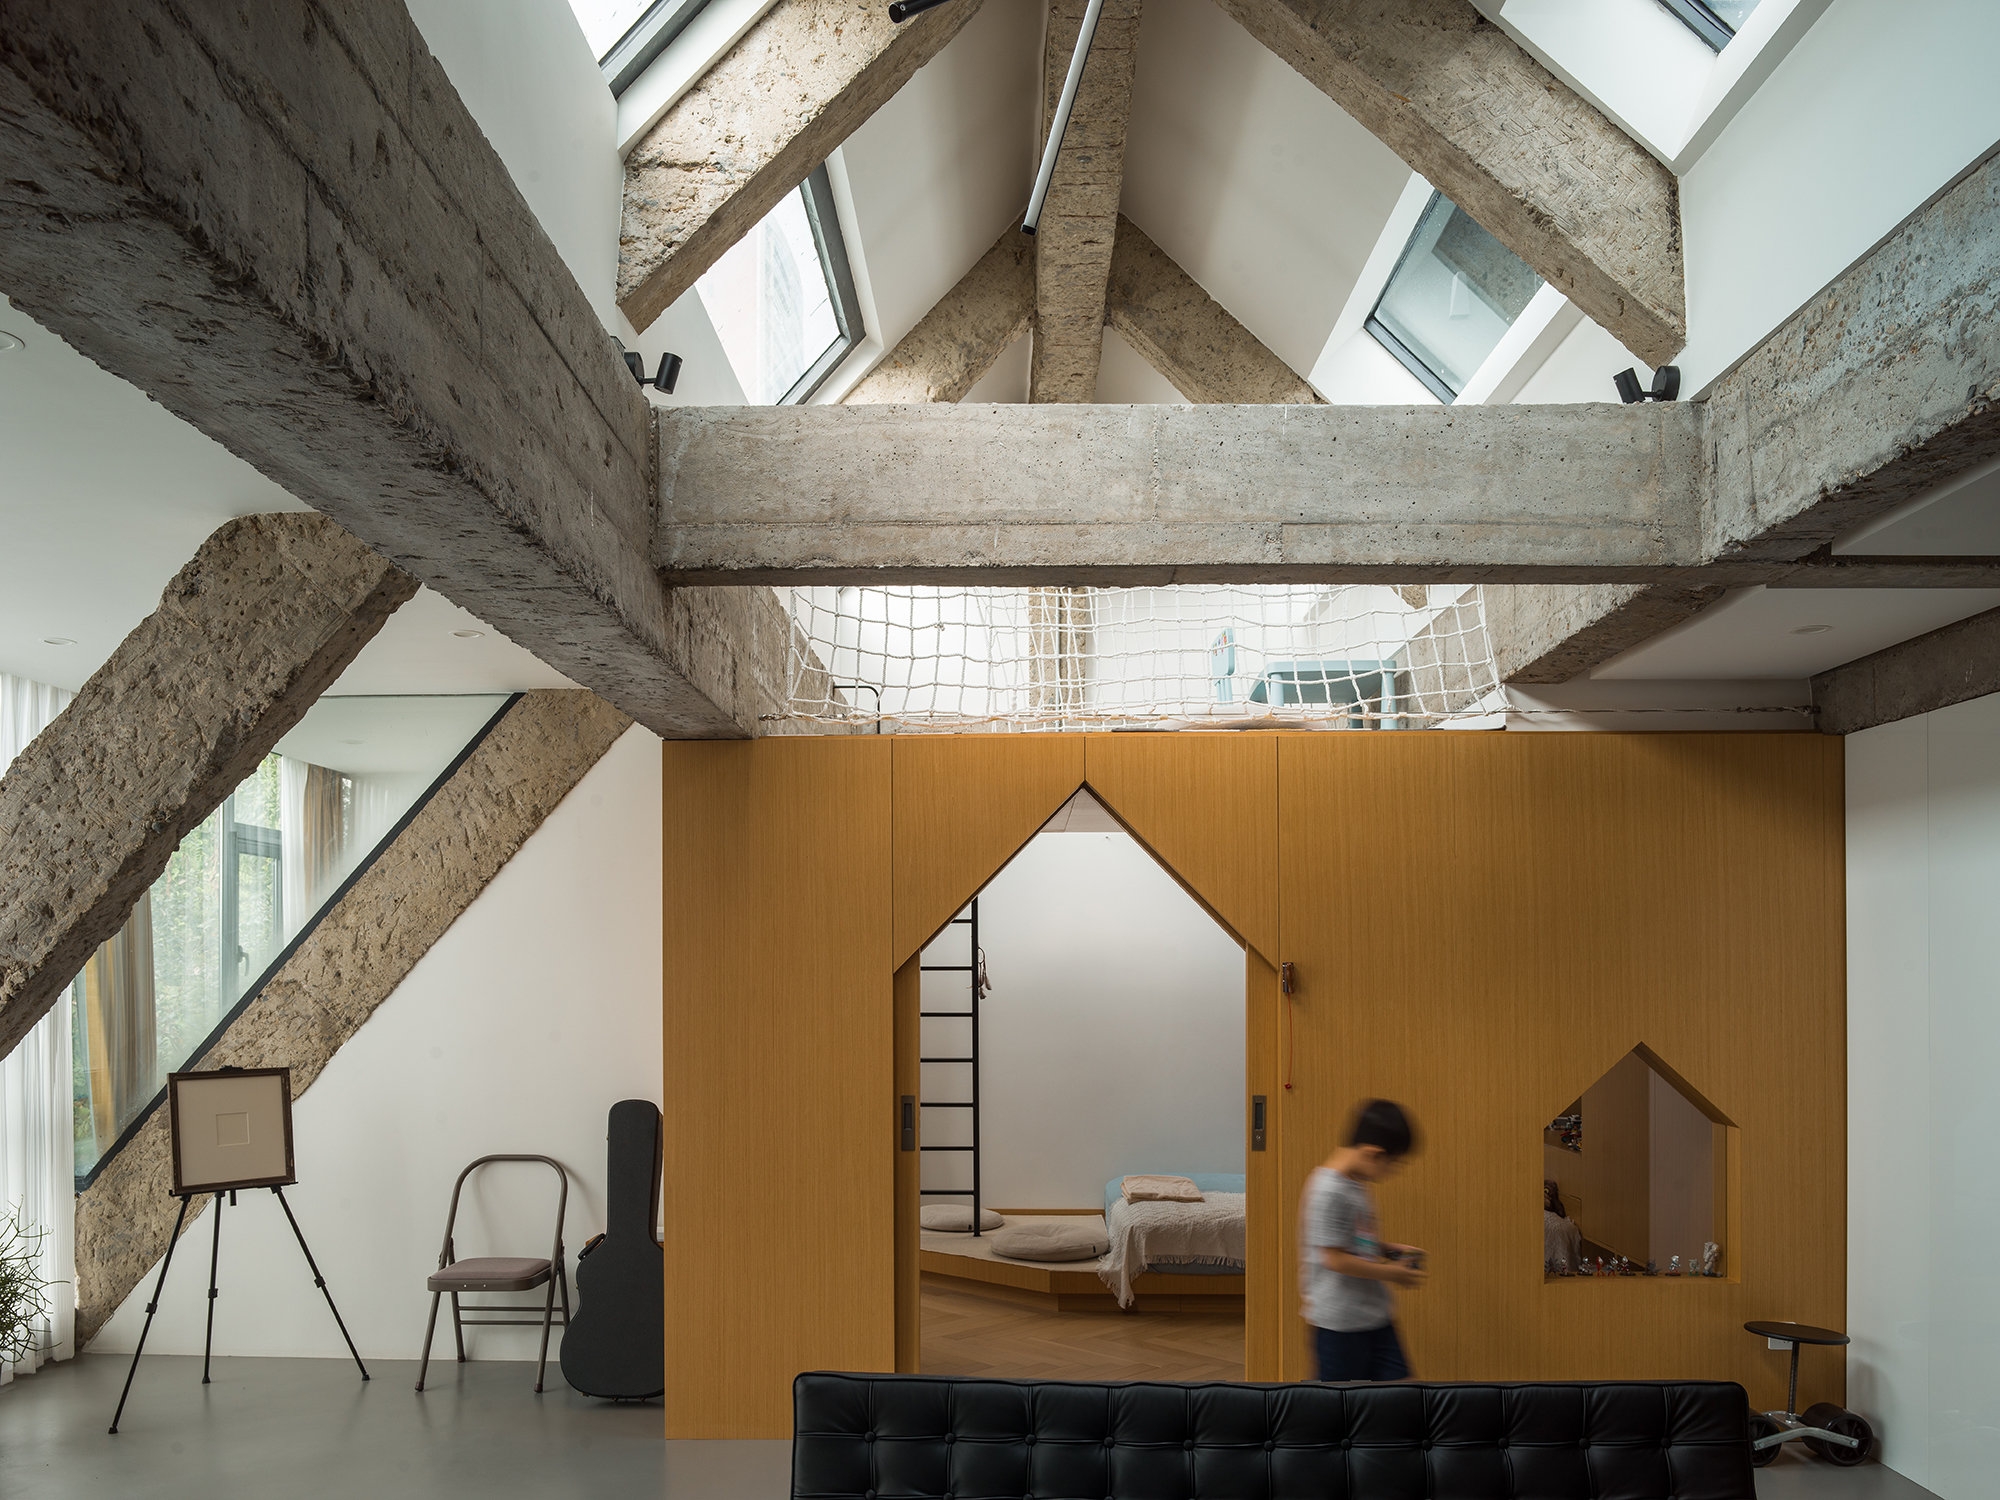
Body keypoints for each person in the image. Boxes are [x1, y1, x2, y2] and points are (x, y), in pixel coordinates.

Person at [1299, 1098, 1425, 1381]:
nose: (1393, 1172)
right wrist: (1391, 1272)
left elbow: (1352, 1240)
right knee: (1339, 1407)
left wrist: (1387, 1249)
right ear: (1373, 1154)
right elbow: (1333, 1257)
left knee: (1397, 1395)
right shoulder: (1328, 1190)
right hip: (1340, 1323)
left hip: (1373, 1314)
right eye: (1394, 1164)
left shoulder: (1354, 1182)